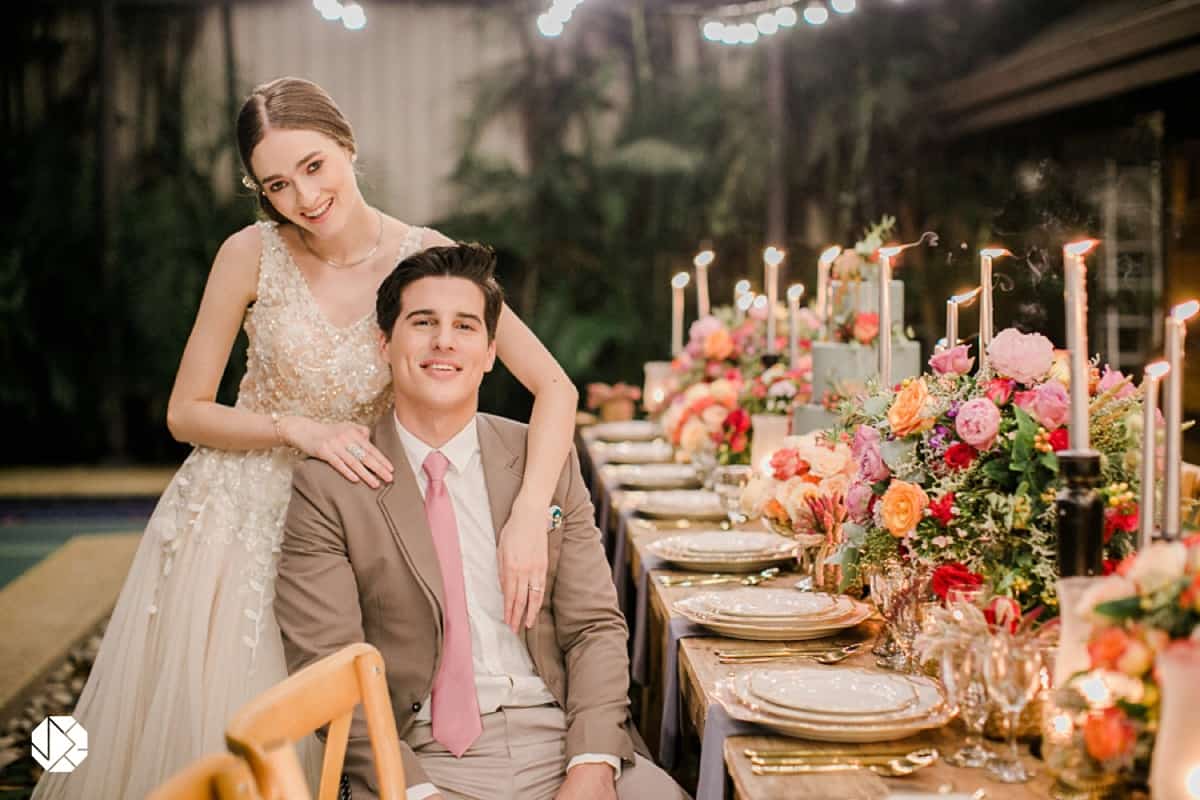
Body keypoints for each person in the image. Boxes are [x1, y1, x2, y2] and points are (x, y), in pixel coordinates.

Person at [31, 78, 575, 800]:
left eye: (314, 166)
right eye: (277, 185)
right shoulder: (249, 253)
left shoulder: (426, 256)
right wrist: (296, 428)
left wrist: (531, 514)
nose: (305, 198)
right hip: (234, 521)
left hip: (352, 522)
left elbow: (556, 388)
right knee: (214, 727)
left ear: (347, 144)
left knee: (339, 724)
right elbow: (185, 412)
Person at [275, 243, 686, 800]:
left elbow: (594, 628)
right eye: (423, 322)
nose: (444, 341)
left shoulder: (542, 461)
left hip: (560, 735)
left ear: (491, 352)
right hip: (417, 758)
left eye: (465, 326)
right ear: (384, 343)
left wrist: (592, 760)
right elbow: (328, 671)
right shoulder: (328, 487)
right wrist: (413, 789)